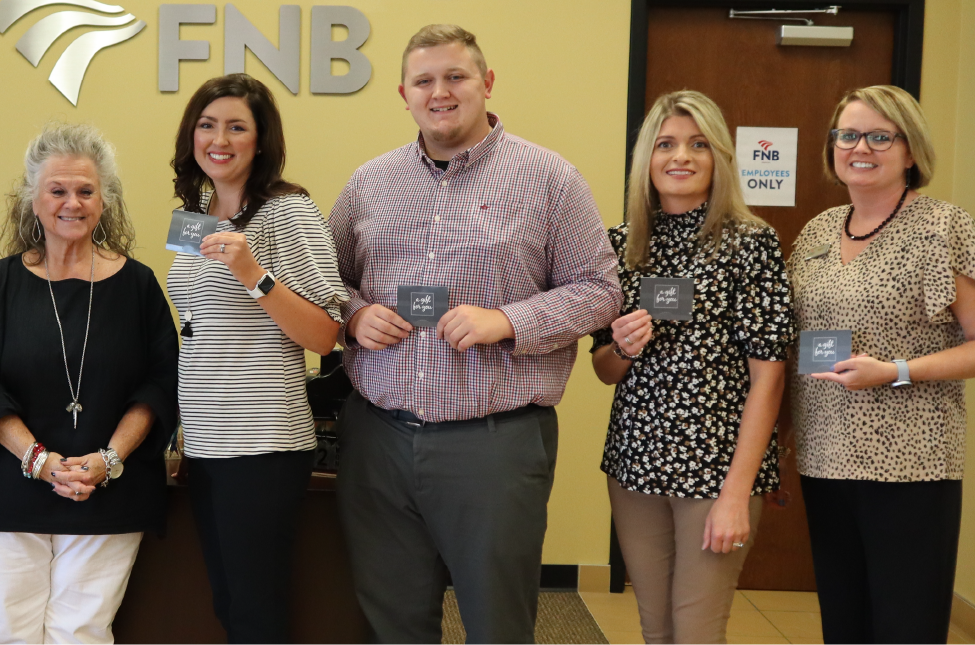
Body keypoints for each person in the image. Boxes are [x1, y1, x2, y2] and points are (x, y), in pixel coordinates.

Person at [328, 24, 621, 644]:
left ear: (486, 84)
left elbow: (600, 290)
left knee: (496, 624)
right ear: (402, 93)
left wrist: (510, 320)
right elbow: (329, 284)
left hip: (494, 445)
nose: (441, 92)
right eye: (425, 80)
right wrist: (355, 316)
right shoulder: (368, 184)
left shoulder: (550, 179)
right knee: (393, 620)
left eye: (456, 77)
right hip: (379, 436)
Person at [788, 85, 975, 644]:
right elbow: (799, 344)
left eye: (879, 136)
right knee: (845, 625)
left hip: (911, 466)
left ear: (910, 151)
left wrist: (896, 370)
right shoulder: (818, 229)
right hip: (825, 457)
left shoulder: (943, 228)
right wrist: (782, 436)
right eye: (847, 134)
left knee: (904, 627)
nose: (859, 147)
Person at [0, 122, 177, 645]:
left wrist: (109, 460)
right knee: (12, 633)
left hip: (108, 490)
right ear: (34, 199)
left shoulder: (139, 285)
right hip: (9, 487)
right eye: (57, 190)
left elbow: (160, 383)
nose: (71, 203)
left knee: (83, 634)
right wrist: (37, 460)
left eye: (85, 190)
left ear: (105, 201)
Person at [588, 90, 793, 645]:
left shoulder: (750, 244)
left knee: (697, 631)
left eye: (698, 144)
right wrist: (625, 348)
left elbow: (768, 377)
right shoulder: (621, 246)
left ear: (719, 156)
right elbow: (605, 371)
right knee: (657, 629)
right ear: (646, 160)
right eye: (666, 144)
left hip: (716, 468)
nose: (681, 157)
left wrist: (736, 491)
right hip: (635, 465)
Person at [166, 73, 349, 644]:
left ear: (261, 141)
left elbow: (326, 334)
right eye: (207, 125)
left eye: (236, 127)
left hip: (261, 441)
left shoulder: (287, 212)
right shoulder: (195, 212)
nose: (219, 139)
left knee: (256, 610)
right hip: (205, 438)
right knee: (228, 600)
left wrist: (254, 275)